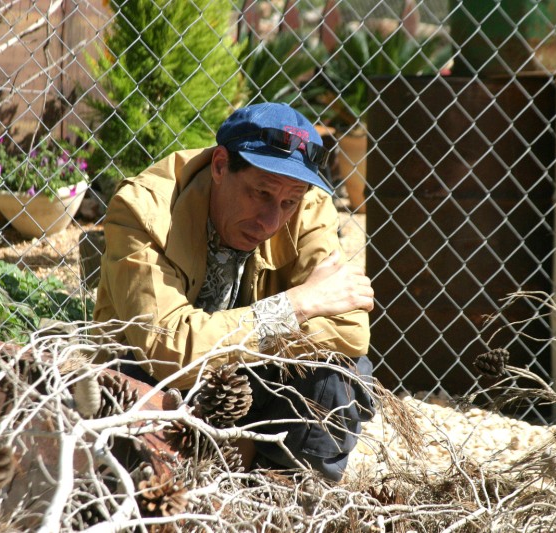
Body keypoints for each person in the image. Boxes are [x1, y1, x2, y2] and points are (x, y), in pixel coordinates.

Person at [93, 102, 375, 481]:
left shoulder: (308, 205)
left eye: (287, 203)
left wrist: (218, 342)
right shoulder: (143, 209)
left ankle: (288, 500)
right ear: (221, 165)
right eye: (260, 193)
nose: (272, 220)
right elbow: (168, 351)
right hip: (150, 385)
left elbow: (351, 331)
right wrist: (296, 305)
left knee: (338, 374)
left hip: (250, 384)